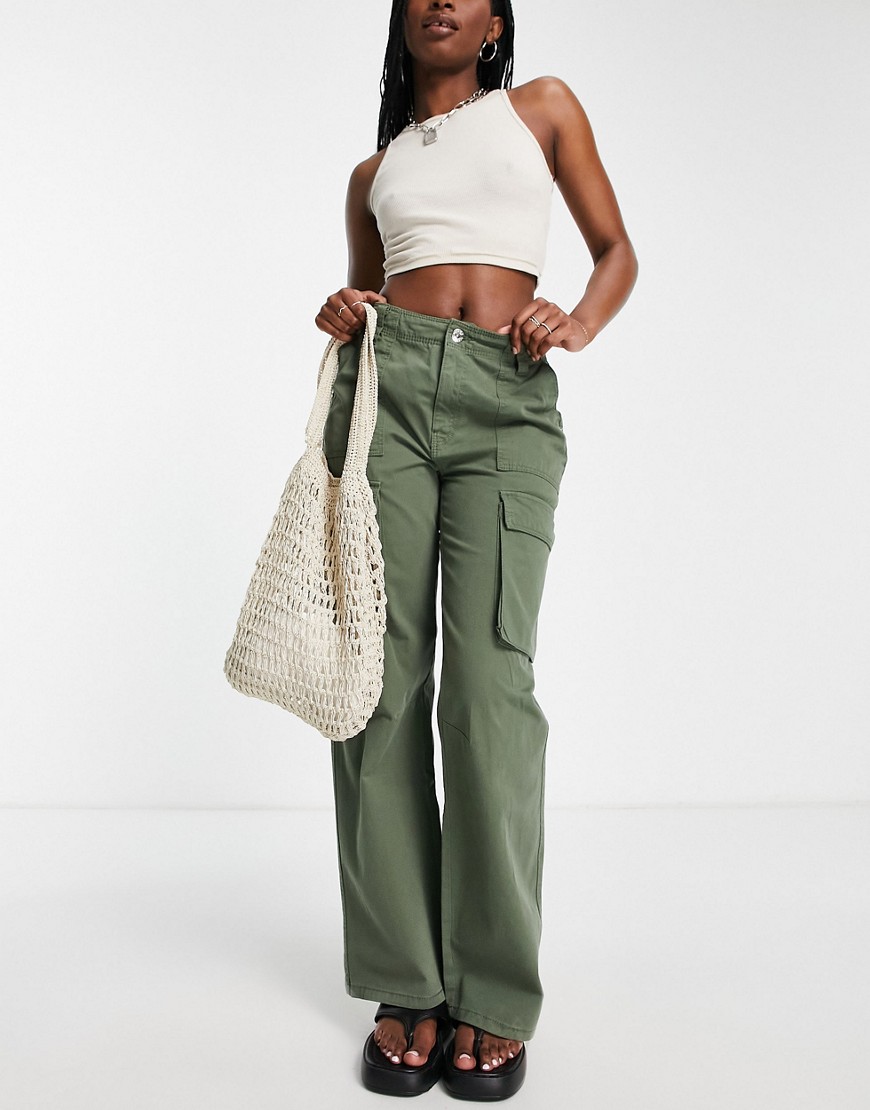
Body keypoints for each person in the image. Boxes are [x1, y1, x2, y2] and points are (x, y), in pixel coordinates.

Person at [314, 0, 638, 1100]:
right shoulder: (374, 172)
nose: (440, 0)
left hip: (507, 400)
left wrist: (578, 320)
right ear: (401, 18)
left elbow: (615, 251)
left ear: (497, 20)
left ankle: (492, 989)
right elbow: (369, 294)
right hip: (388, 401)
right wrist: (346, 306)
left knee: (491, 689)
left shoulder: (541, 110)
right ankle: (405, 981)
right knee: (380, 687)